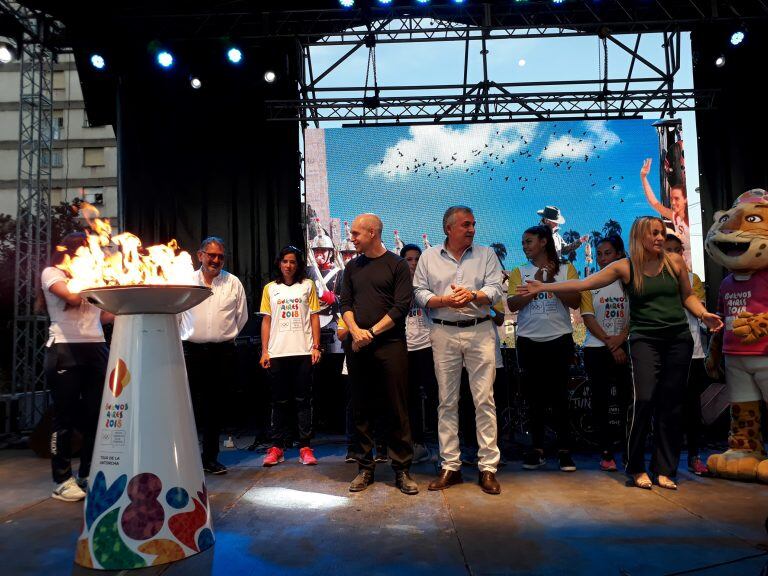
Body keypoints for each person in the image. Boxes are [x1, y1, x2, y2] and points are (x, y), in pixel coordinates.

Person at [517, 216, 722, 490]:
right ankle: (636, 466)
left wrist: (704, 314)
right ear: (639, 236)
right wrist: (544, 286)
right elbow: (584, 284)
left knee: (671, 405)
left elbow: (687, 296)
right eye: (654, 233)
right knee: (643, 400)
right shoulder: (625, 266)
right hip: (645, 340)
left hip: (678, 340)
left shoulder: (674, 262)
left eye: (661, 233)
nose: (660, 238)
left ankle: (664, 469)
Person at [414, 205, 504, 495]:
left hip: (480, 330)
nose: (472, 229)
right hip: (443, 331)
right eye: (466, 224)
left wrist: (473, 295)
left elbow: (496, 289)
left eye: (473, 224)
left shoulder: (486, 254)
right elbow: (419, 292)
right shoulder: (428, 257)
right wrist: (445, 301)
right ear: (448, 228)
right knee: (447, 401)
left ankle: (488, 468)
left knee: (484, 400)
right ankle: (450, 466)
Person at [340, 213, 418, 495]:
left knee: (397, 407)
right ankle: (365, 467)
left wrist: (369, 334)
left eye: (356, 234)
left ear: (372, 232)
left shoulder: (397, 265)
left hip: (390, 345)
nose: (352, 238)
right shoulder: (352, 267)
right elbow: (345, 304)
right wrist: (355, 331)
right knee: (361, 407)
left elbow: (400, 307)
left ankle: (402, 469)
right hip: (358, 346)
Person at [41, 232, 111, 501]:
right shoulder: (53, 273)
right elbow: (71, 297)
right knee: (65, 417)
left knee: (95, 415)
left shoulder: (93, 279)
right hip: (64, 348)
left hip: (96, 347)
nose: (95, 254)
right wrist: (97, 279)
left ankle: (88, 473)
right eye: (89, 250)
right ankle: (61, 479)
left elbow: (103, 316)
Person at [507, 225, 581, 472]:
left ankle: (564, 451)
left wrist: (549, 283)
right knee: (534, 398)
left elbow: (575, 301)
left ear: (543, 242)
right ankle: (537, 449)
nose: (524, 246)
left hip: (559, 339)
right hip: (528, 341)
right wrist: (537, 282)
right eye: (523, 242)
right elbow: (513, 304)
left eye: (528, 241)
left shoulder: (567, 269)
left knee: (560, 396)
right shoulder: (520, 271)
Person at [181, 236, 248, 475]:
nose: (216, 260)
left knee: (214, 408)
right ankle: (185, 459)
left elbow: (241, 317)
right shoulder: (186, 281)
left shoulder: (233, 283)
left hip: (222, 353)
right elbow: (176, 316)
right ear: (200, 255)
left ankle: (210, 459)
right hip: (191, 351)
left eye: (220, 256)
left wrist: (224, 335)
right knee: (187, 406)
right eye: (211, 255)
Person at [259, 246, 322, 467]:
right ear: (279, 263)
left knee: (303, 400)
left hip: (303, 351)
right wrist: (265, 351)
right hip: (278, 352)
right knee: (279, 401)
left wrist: (316, 347)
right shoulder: (270, 289)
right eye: (285, 261)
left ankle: (305, 447)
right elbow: (266, 320)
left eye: (293, 261)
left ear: (298, 264)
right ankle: (277, 447)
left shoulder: (308, 285)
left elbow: (314, 317)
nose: (288, 265)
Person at [579, 235, 632, 472]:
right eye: (599, 254)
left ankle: (629, 450)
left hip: (624, 346)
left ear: (619, 254)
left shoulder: (629, 282)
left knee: (627, 400)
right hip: (596, 350)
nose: (602, 258)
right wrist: (612, 344)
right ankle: (606, 452)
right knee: (600, 402)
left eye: (607, 253)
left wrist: (621, 341)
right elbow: (588, 318)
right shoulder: (589, 282)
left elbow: (634, 315)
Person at [663, 233, 709, 475]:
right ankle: (666, 461)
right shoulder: (654, 279)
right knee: (668, 409)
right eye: (667, 250)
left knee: (692, 409)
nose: (672, 254)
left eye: (676, 250)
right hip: (664, 354)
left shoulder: (693, 279)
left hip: (693, 353)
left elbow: (695, 305)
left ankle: (694, 456)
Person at [401, 243, 438, 465]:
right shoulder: (397, 285)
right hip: (406, 348)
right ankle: (417, 443)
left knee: (435, 396)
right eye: (409, 259)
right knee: (411, 398)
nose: (413, 263)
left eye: (417, 259)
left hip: (429, 345)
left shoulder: (428, 284)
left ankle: (439, 444)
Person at [641, 158, 691, 269]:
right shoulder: (675, 217)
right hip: (682, 264)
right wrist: (643, 177)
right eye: (671, 199)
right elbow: (654, 203)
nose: (673, 202)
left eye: (677, 198)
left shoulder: (694, 219)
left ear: (686, 199)